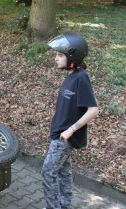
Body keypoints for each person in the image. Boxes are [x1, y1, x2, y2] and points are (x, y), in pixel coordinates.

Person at [41, 33, 99, 209]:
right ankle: (64, 205)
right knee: (64, 173)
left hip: (64, 137)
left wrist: (71, 130)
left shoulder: (81, 78)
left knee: (47, 172)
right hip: (59, 135)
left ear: (72, 56)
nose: (56, 58)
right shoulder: (71, 76)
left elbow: (93, 110)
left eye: (60, 55)